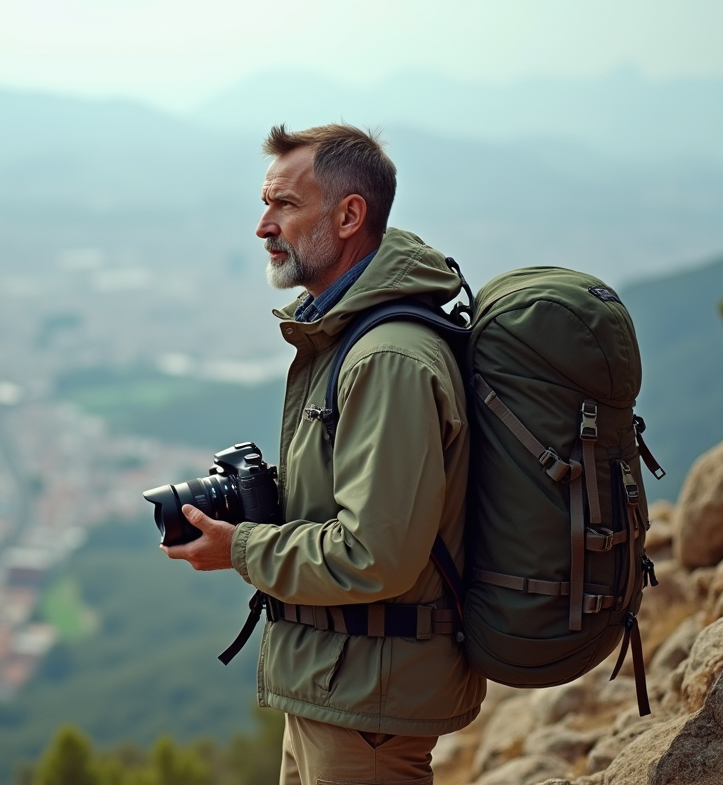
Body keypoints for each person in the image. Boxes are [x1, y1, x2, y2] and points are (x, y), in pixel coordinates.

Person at [163, 123, 485, 785]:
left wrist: (242, 548)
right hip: (338, 685)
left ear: (349, 215)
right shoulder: (345, 337)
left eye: (283, 204)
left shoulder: (386, 358)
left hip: (369, 704)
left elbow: (375, 555)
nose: (263, 226)